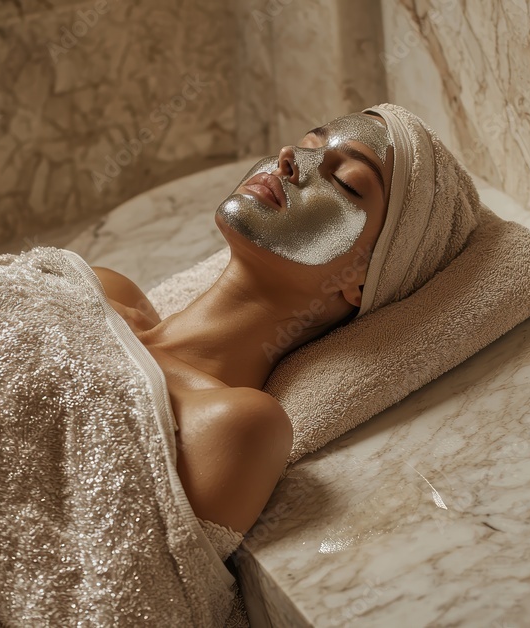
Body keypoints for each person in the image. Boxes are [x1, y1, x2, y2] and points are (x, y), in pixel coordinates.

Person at [89, 109, 396, 540]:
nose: (289, 157)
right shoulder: (99, 288)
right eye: (307, 144)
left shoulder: (235, 426)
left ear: (363, 278)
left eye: (345, 182)